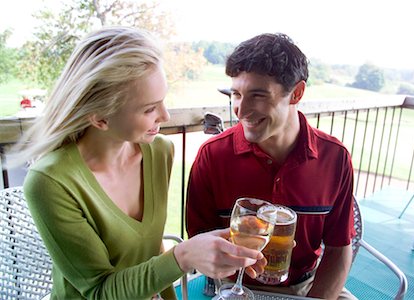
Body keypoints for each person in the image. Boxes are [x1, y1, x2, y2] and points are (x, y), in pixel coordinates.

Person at [7, 26, 266, 299]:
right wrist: (184, 256)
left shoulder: (158, 152)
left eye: (163, 101)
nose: (165, 115)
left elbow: (150, 249)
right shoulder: (50, 182)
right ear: (99, 118)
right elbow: (99, 290)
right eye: (149, 108)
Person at [186, 33, 356, 300]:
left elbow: (339, 248)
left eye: (258, 95)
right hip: (236, 285)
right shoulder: (212, 155)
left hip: (308, 286)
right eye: (237, 94)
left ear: (296, 93)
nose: (240, 110)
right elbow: (198, 240)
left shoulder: (335, 157)